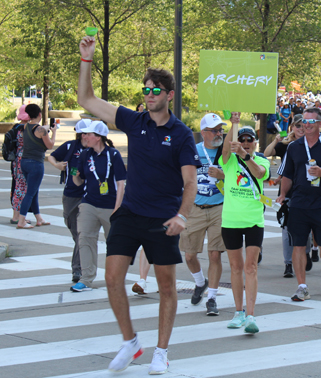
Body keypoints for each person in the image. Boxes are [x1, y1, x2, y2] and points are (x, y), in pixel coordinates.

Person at [78, 35, 200, 374]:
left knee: (166, 287)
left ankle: (161, 351)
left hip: (164, 218)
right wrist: (86, 58)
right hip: (130, 212)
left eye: (155, 90)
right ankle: (131, 341)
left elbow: (190, 183)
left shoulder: (181, 135)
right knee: (113, 277)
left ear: (169, 95)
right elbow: (86, 98)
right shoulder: (134, 121)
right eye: (145, 89)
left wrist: (182, 216)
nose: (148, 94)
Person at [277, 108, 321, 301]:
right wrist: (282, 195)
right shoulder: (294, 147)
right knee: (298, 245)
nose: (306, 125)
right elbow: (287, 174)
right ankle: (302, 286)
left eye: (310, 122)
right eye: (303, 122)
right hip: (298, 202)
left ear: (320, 124)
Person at [220, 119, 270, 334]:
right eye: (242, 140)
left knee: (251, 267)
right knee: (235, 268)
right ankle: (238, 312)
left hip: (253, 221)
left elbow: (259, 173)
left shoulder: (261, 160)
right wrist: (234, 122)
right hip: (230, 221)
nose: (246, 142)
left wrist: (245, 156)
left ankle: (250, 315)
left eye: (250, 140)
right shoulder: (229, 160)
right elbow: (223, 151)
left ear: (256, 143)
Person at [179, 113, 226, 316]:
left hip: (220, 208)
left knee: (215, 254)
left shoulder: (226, 153)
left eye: (220, 130)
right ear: (204, 133)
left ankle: (212, 298)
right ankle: (200, 282)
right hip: (195, 208)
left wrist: (222, 175)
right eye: (214, 130)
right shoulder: (192, 151)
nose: (218, 133)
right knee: (190, 256)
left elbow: (239, 177)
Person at [70, 121, 126, 291]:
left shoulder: (113, 155)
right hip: (89, 203)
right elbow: (78, 181)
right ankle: (86, 279)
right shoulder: (85, 154)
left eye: (88, 134)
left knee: (114, 244)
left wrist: (117, 208)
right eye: (84, 134)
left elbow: (121, 183)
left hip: (110, 205)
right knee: (85, 238)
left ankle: (115, 278)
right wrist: (74, 174)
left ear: (98, 137)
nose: (84, 136)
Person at [265, 114, 312, 278]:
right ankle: (288, 264)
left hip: (306, 192)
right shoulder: (286, 145)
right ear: (292, 127)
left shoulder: (311, 144)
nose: (300, 129)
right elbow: (266, 153)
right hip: (287, 193)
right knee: (286, 229)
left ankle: (306, 252)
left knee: (305, 230)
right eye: (297, 126)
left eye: (303, 125)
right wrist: (276, 140)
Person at [48, 119, 90, 283]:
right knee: (76, 233)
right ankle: (82, 261)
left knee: (83, 235)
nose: (88, 136)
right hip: (71, 196)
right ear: (80, 134)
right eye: (85, 133)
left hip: (89, 197)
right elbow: (52, 156)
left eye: (91, 133)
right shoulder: (70, 146)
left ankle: (78, 270)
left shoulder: (96, 149)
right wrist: (58, 165)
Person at [16, 104, 56, 229]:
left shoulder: (25, 126)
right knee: (30, 193)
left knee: (34, 191)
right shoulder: (41, 130)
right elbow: (50, 145)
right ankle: (21, 220)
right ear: (40, 114)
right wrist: (54, 132)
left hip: (25, 162)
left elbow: (36, 130)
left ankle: (39, 218)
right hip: (36, 164)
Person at [10, 105, 31, 224]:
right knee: (21, 188)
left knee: (18, 186)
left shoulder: (16, 127)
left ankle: (16, 215)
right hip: (24, 160)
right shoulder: (26, 128)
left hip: (16, 160)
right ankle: (17, 216)